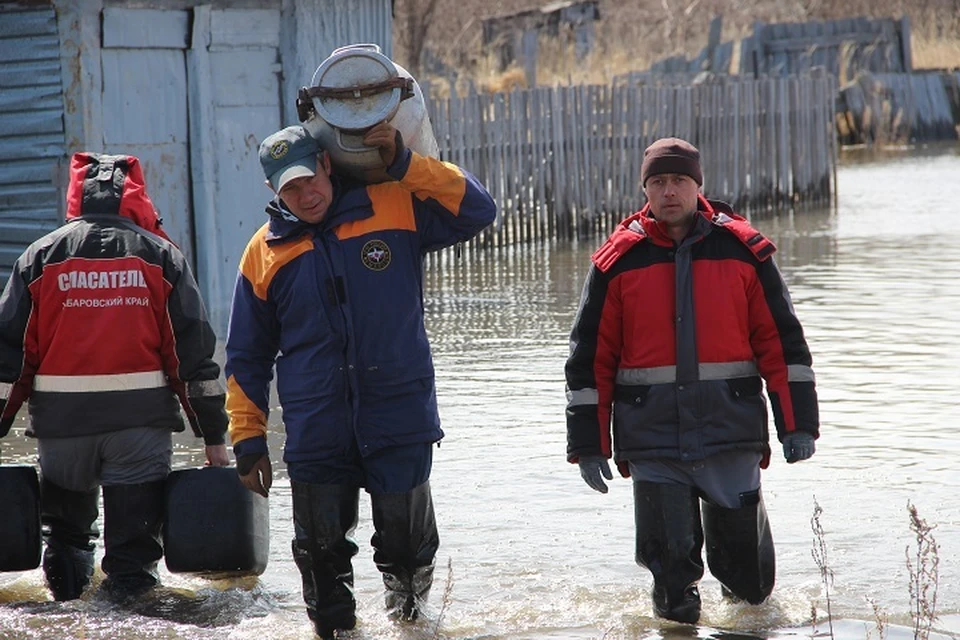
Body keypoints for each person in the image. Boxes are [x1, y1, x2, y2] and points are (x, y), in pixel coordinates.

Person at [226, 122, 495, 638]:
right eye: (290, 188)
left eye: (310, 179)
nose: (306, 195)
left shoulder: (392, 204)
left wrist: (405, 165)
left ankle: (411, 626)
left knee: (407, 552)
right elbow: (246, 357)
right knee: (320, 558)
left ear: (327, 165)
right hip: (315, 428)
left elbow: (478, 209)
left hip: (398, 416)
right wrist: (248, 438)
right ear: (272, 191)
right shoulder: (263, 253)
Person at [564, 137, 819, 624]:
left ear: (697, 185)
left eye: (679, 180)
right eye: (657, 182)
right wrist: (589, 443)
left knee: (749, 590)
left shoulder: (745, 253)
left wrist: (797, 424)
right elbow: (588, 361)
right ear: (645, 190)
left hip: (731, 434)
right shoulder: (616, 263)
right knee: (672, 593)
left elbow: (783, 345)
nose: (669, 191)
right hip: (654, 442)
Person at [0, 152, 230, 602]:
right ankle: (131, 621)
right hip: (138, 432)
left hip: (62, 434)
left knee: (66, 543)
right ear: (135, 198)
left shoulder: (38, 258)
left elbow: (9, 361)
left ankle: (70, 616)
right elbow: (192, 359)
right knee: (132, 558)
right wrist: (213, 437)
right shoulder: (162, 257)